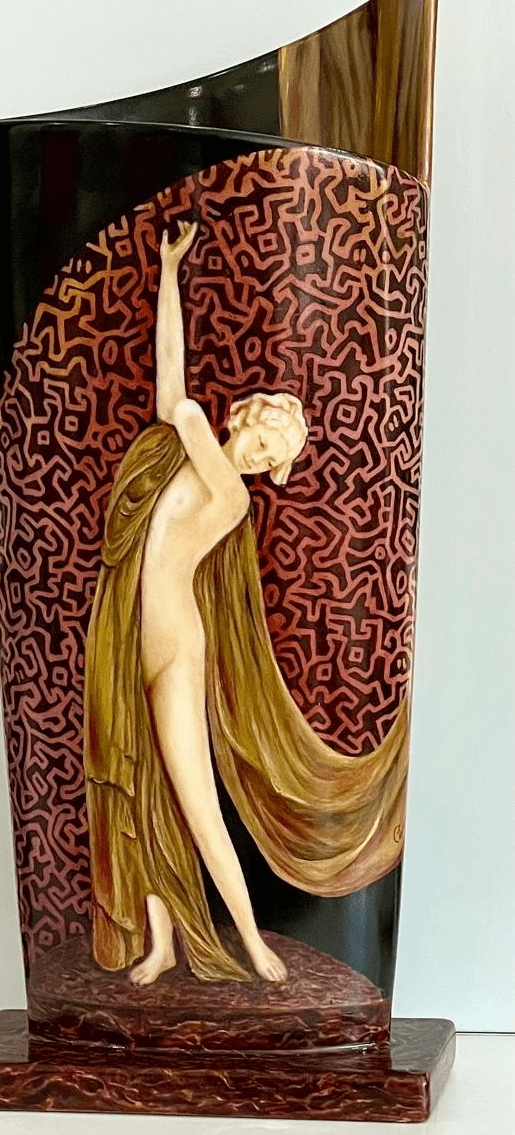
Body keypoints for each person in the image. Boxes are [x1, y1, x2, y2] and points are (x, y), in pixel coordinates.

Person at [83, 220, 409, 987]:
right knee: (139, 789)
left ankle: (255, 943)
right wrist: (169, 272)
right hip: (126, 636)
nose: (264, 455)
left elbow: (184, 407)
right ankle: (162, 942)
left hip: (176, 644)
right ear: (249, 415)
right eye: (266, 437)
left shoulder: (229, 494)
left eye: (275, 455)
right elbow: (172, 383)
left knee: (196, 798)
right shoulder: (190, 449)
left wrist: (191, 410)